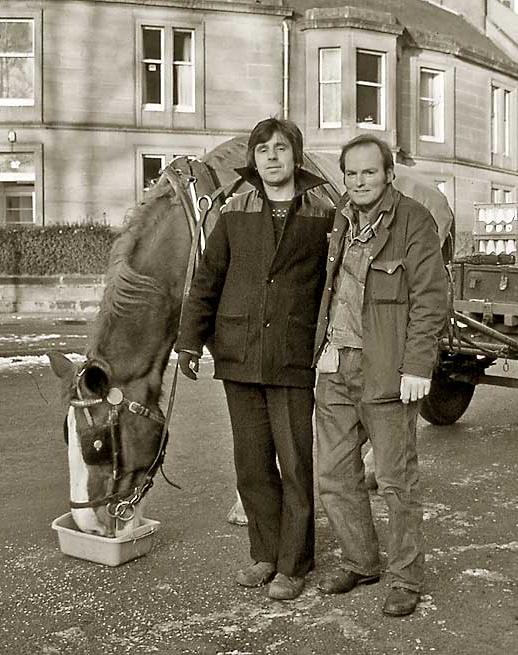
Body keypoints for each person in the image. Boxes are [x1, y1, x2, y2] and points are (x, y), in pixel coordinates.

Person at [176, 118, 333, 601]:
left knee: (295, 464)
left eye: (280, 148)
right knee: (252, 465)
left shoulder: (324, 215)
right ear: (254, 158)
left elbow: (336, 287)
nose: (271, 157)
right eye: (262, 149)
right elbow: (207, 279)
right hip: (239, 354)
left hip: (291, 357)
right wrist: (188, 341)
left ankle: (294, 563)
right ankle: (264, 554)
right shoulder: (234, 209)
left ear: (296, 156)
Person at [313, 134, 449, 617]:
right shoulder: (341, 220)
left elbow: (431, 299)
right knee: (333, 473)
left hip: (386, 368)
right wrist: (324, 349)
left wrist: (416, 365)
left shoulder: (413, 220)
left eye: (370, 172)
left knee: (395, 480)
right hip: (336, 365)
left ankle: (406, 577)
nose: (360, 181)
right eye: (351, 173)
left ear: (388, 174)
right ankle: (361, 560)